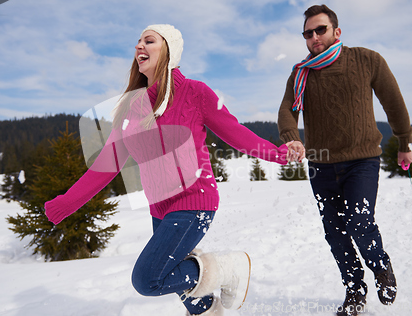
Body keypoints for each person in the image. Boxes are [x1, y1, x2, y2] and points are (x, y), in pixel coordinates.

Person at [45, 24, 289, 316]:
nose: (139, 47)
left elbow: (235, 132)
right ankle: (208, 312)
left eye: (149, 41)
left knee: (148, 279)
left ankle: (227, 268)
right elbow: (105, 166)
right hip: (159, 208)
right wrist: (64, 204)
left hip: (194, 200)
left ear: (169, 50)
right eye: (137, 42)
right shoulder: (129, 108)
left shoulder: (195, 93)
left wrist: (278, 154)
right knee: (180, 284)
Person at [277, 5, 412, 316]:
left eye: (320, 29)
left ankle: (381, 267)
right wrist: (291, 136)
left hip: (362, 159)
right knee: (334, 230)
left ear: (336, 32)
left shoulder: (367, 60)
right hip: (320, 164)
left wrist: (405, 142)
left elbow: (393, 102)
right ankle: (354, 289)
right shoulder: (301, 73)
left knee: (359, 220)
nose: (314, 37)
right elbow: (287, 110)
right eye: (308, 33)